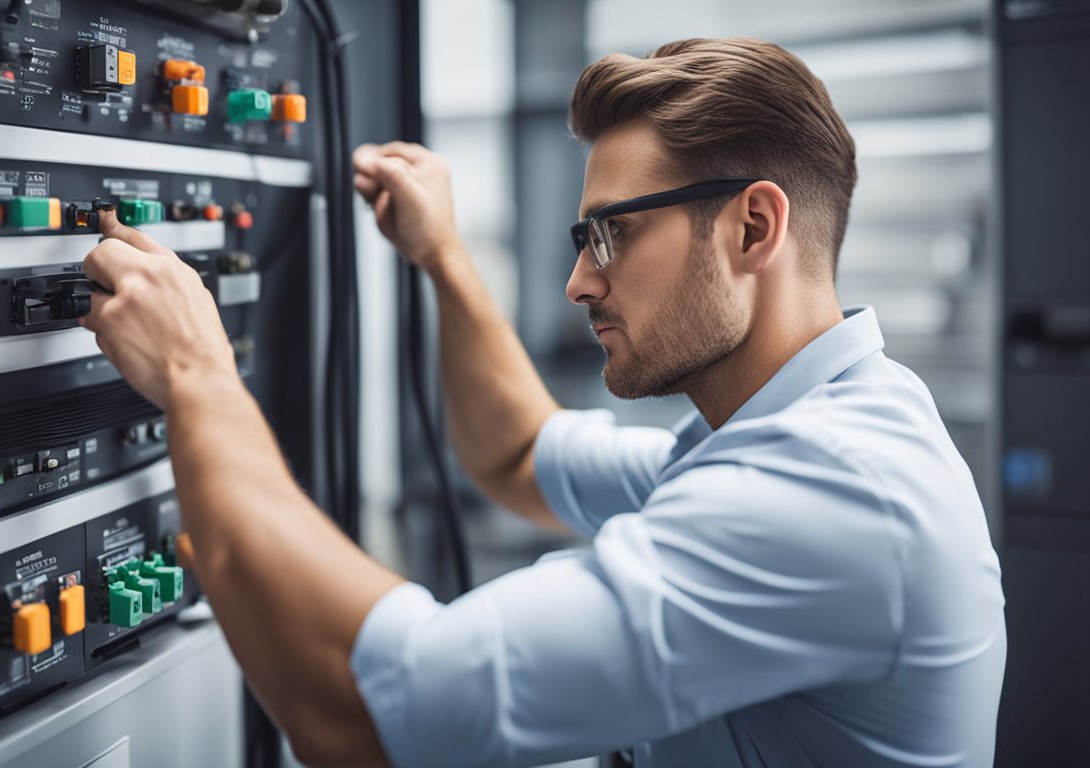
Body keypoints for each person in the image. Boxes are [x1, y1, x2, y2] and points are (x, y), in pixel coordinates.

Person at [79, 37, 1005, 768]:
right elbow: (520, 455)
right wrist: (442, 257)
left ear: (753, 227)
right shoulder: (789, 430)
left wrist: (197, 373)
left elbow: (368, 711)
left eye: (611, 235)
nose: (577, 283)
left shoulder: (833, 488)